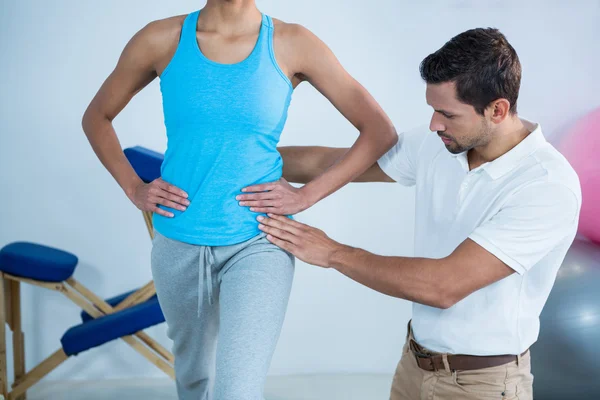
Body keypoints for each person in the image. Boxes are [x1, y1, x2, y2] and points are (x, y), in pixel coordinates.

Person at [240, 28, 581, 400]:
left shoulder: (546, 185)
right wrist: (236, 161)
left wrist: (332, 252)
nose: (435, 124)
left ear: (497, 110)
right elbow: (335, 162)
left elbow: (443, 286)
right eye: (433, 110)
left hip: (484, 384)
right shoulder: (441, 143)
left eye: (447, 114)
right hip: (414, 366)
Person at [81, 1, 397, 399]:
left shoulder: (292, 42)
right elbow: (97, 117)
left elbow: (378, 131)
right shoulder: (161, 38)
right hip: (179, 241)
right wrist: (133, 187)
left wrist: (307, 195)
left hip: (260, 239)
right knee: (193, 380)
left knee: (237, 391)